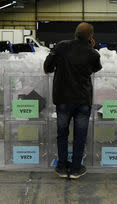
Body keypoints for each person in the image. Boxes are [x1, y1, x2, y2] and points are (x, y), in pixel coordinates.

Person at [44, 22, 102, 179]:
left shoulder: (61, 46)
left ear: (75, 33)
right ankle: (76, 168)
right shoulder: (93, 53)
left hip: (63, 99)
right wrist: (91, 47)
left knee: (62, 133)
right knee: (80, 136)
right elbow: (96, 68)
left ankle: (62, 166)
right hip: (83, 100)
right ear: (90, 36)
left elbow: (47, 67)